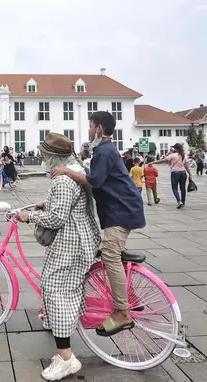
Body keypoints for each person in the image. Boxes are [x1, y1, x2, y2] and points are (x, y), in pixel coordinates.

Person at [52, 111, 145, 339]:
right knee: (115, 255)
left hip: (121, 212)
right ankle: (131, 298)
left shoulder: (104, 151)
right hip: (123, 209)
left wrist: (65, 170)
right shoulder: (106, 150)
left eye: (92, 126)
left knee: (110, 256)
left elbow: (95, 181)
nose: (90, 130)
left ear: (100, 129)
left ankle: (123, 311)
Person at [17, 133, 101, 381]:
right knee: (67, 288)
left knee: (55, 290)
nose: (42, 160)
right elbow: (69, 204)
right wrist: (47, 202)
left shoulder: (63, 180)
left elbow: (57, 219)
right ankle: (58, 321)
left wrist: (29, 217)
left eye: (44, 156)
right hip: (83, 237)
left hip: (71, 244)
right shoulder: (74, 171)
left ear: (53, 157)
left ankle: (66, 359)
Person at [150, 143, 193, 209]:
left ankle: (179, 201)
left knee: (174, 188)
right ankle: (183, 201)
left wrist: (153, 162)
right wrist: (190, 174)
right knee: (182, 188)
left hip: (175, 173)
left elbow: (163, 160)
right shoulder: (184, 155)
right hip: (183, 173)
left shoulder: (172, 155)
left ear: (176, 149)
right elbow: (187, 166)